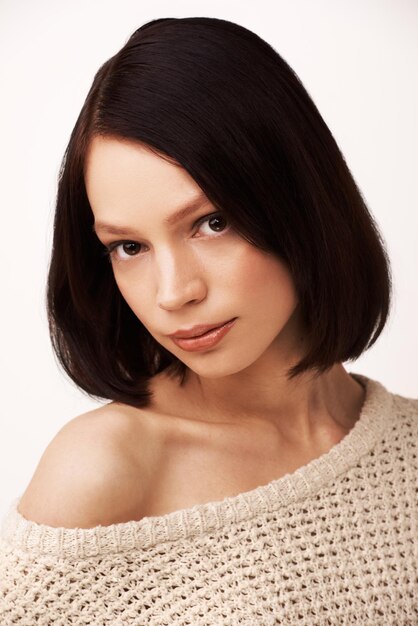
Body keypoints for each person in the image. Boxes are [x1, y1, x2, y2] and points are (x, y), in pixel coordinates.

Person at [0, 16, 416, 625]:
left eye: (211, 222)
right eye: (128, 247)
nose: (173, 294)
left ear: (297, 199)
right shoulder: (103, 470)